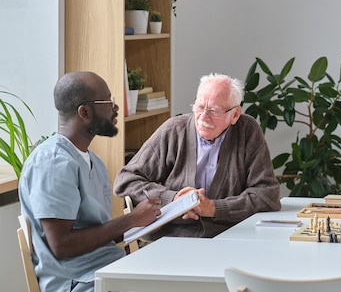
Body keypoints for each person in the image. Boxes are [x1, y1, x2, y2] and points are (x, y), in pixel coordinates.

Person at [19, 71, 162, 292]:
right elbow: (61, 246)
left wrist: (156, 217)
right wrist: (130, 220)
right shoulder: (53, 163)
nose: (115, 107)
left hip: (108, 266)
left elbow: (96, 232)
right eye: (108, 101)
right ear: (84, 112)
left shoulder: (92, 160)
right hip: (77, 282)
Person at [114, 73, 281, 239]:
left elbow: (267, 195)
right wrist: (173, 199)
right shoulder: (173, 130)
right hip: (174, 239)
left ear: (235, 115)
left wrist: (214, 208)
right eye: (200, 107)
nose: (203, 117)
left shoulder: (247, 131)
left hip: (231, 237)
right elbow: (126, 180)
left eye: (213, 111)